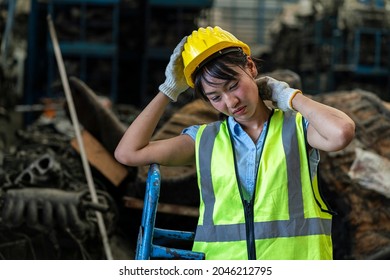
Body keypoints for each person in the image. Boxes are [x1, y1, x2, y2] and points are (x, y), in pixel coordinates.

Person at [115, 26, 355, 260]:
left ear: (250, 67)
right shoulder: (204, 140)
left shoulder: (296, 129)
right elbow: (128, 153)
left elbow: (341, 132)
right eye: (215, 97)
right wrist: (168, 91)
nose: (231, 102)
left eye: (233, 86)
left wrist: (288, 96)